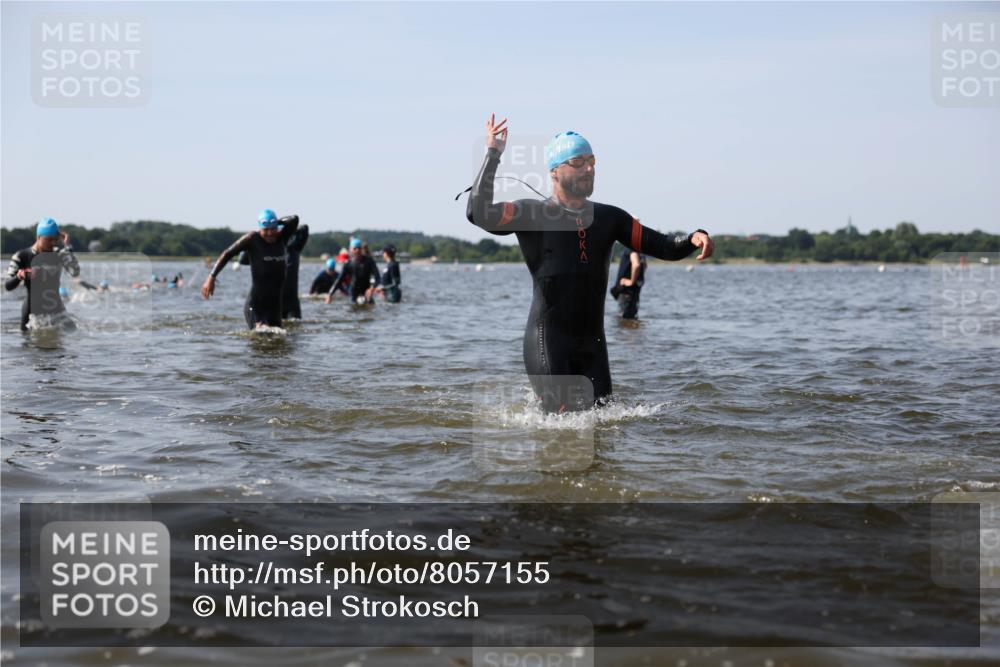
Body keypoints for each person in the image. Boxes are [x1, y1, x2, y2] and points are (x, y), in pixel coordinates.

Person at [465, 115, 714, 412]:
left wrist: (693, 238)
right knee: (561, 430)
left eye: (592, 160)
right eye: (579, 161)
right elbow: (478, 212)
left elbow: (662, 245)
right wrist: (493, 153)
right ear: (555, 171)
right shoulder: (530, 213)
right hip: (548, 343)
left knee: (603, 424)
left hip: (593, 347)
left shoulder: (611, 219)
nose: (590, 168)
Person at [201, 209, 299, 329]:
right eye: (265, 229)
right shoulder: (252, 239)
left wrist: (274, 222)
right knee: (262, 336)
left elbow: (294, 219)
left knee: (277, 342)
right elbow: (227, 253)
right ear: (259, 228)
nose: (269, 233)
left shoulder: (283, 238)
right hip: (256, 305)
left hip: (275, 307)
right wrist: (212, 276)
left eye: (273, 229)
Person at [4, 218, 80, 331]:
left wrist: (67, 246)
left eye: (55, 240)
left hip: (57, 310)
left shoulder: (58, 254)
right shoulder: (21, 256)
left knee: (72, 334)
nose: (53, 243)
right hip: (31, 313)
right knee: (29, 345)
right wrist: (19, 276)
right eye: (49, 240)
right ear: (39, 237)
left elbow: (75, 272)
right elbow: (8, 286)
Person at [325, 238, 380, 305]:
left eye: (359, 248)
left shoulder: (369, 261)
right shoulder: (348, 264)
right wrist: (330, 294)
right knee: (353, 311)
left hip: (367, 292)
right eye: (355, 248)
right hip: (354, 294)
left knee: (370, 310)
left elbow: (378, 278)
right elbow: (339, 280)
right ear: (351, 250)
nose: (357, 250)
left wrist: (372, 288)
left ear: (361, 249)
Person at [281, 223, 310, 319]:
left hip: (292, 302)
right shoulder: (273, 248)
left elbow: (305, 228)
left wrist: (289, 228)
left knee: (295, 327)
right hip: (276, 302)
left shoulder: (295, 248)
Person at [610, 250, 647, 319]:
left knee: (624, 318)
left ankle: (627, 328)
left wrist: (632, 281)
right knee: (632, 316)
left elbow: (636, 265)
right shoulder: (640, 251)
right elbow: (644, 265)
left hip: (626, 290)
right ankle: (632, 328)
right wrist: (637, 279)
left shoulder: (631, 250)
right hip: (634, 289)